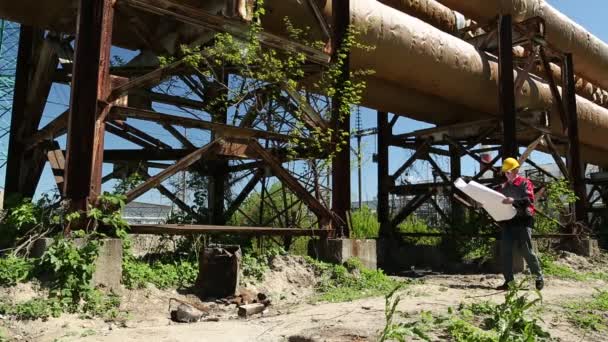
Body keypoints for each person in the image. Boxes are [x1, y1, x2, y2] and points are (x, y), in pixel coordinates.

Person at [496, 157, 544, 291]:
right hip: (508, 222)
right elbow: (496, 201)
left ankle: (538, 277)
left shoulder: (525, 183)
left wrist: (513, 201)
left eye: (509, 171)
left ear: (516, 170)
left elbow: (528, 200)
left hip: (523, 221)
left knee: (527, 251)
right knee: (505, 251)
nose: (507, 174)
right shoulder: (503, 187)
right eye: (505, 172)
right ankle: (509, 282)